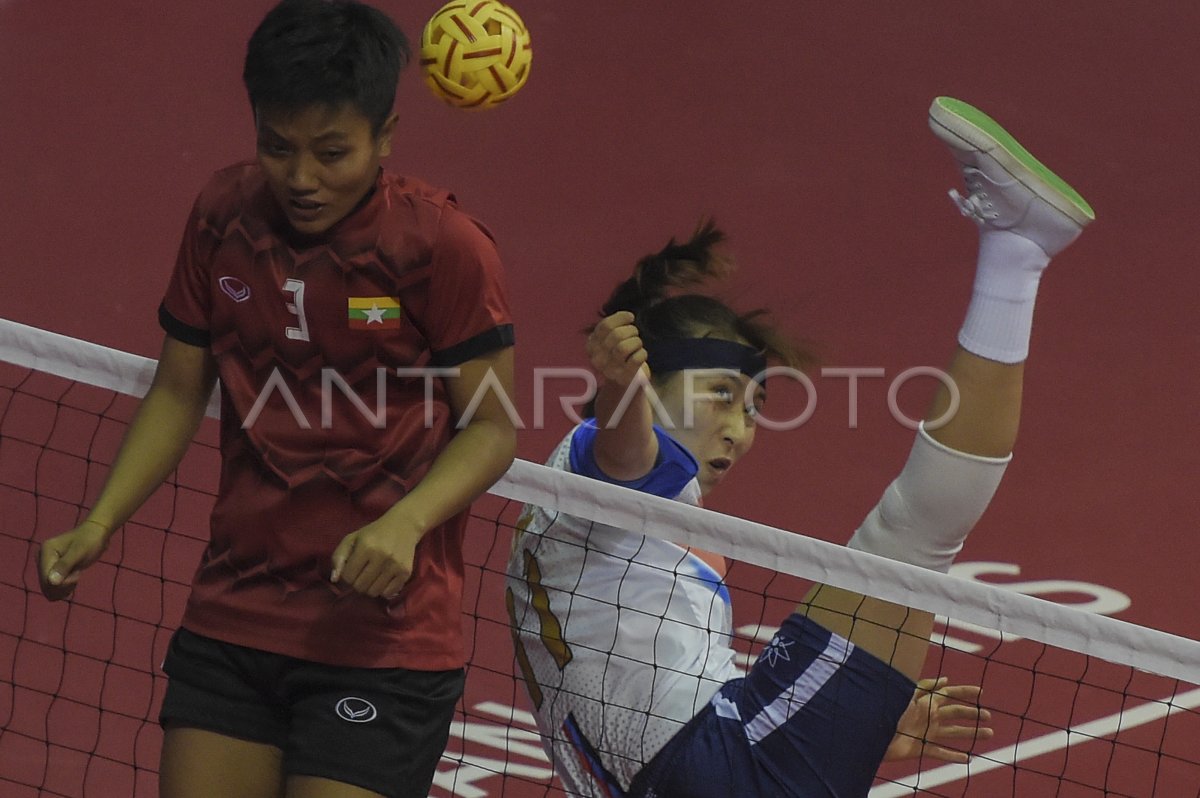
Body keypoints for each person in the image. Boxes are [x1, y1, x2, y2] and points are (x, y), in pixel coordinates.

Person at [506, 96, 1093, 797]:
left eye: (753, 407)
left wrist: (832, 728)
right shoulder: (603, 469)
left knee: (911, 549)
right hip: (715, 758)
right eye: (719, 393)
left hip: (693, 772)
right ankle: (1017, 251)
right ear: (649, 384)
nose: (740, 429)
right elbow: (624, 452)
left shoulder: (573, 510)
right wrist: (619, 388)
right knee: (909, 538)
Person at [35, 2, 516, 797]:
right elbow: (179, 389)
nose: (301, 178)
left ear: (385, 136)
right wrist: (100, 520)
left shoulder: (441, 248)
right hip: (234, 615)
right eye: (278, 147)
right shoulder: (223, 216)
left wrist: (405, 521)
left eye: (332, 153)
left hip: (383, 637)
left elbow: (493, 427)